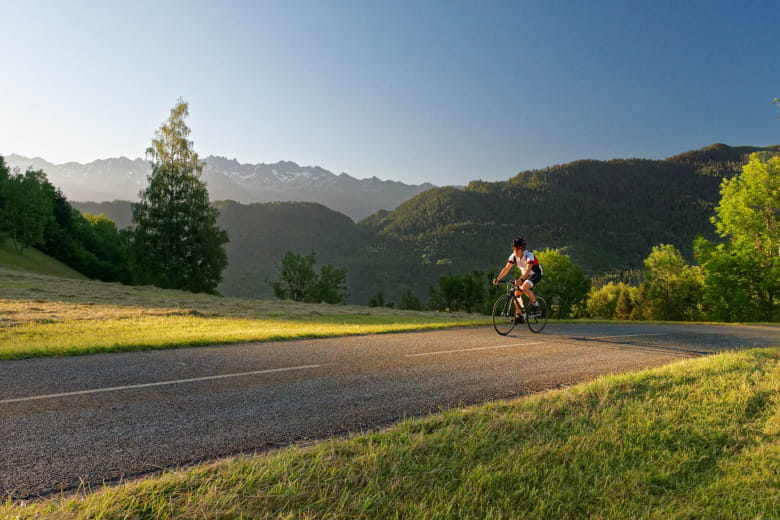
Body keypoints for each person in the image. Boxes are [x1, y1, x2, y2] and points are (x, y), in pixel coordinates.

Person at [492, 237, 543, 320]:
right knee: (516, 293)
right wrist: (498, 278)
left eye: (517, 249)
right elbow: (506, 269)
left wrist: (521, 280)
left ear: (522, 249)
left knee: (524, 287)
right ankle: (519, 315)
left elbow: (528, 270)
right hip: (524, 275)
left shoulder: (529, 255)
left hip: (535, 273)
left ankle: (536, 305)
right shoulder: (513, 256)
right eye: (513, 249)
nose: (515, 251)